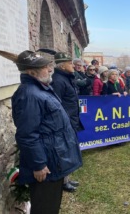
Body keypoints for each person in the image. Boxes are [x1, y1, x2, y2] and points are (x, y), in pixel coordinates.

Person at [0, 50, 82, 214]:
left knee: (51, 206)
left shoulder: (41, 89)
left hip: (54, 161)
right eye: (45, 67)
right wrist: (38, 164)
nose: (50, 70)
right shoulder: (29, 95)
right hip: (46, 166)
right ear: (32, 71)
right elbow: (27, 135)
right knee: (45, 208)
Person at [51, 52, 84, 192]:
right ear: (63, 66)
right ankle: (63, 182)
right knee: (65, 152)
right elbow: (56, 104)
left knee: (70, 150)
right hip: (66, 121)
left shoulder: (66, 78)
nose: (73, 66)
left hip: (71, 119)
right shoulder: (58, 80)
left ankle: (67, 179)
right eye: (70, 63)